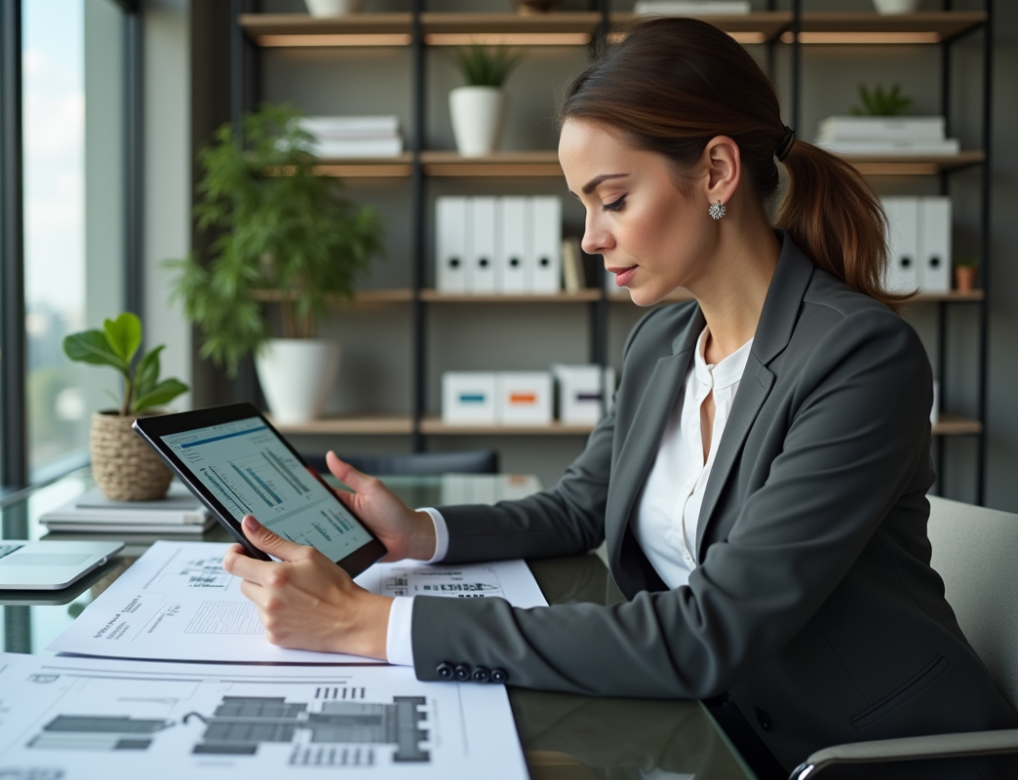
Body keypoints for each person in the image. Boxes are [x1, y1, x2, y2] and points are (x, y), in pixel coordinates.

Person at [222, 17, 1017, 779]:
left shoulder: (858, 357)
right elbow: (579, 507)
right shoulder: (664, 346)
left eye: (613, 198)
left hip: (857, 754)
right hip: (710, 723)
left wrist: (377, 625)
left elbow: (714, 631)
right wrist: (419, 534)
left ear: (715, 172)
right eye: (583, 205)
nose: (589, 239)